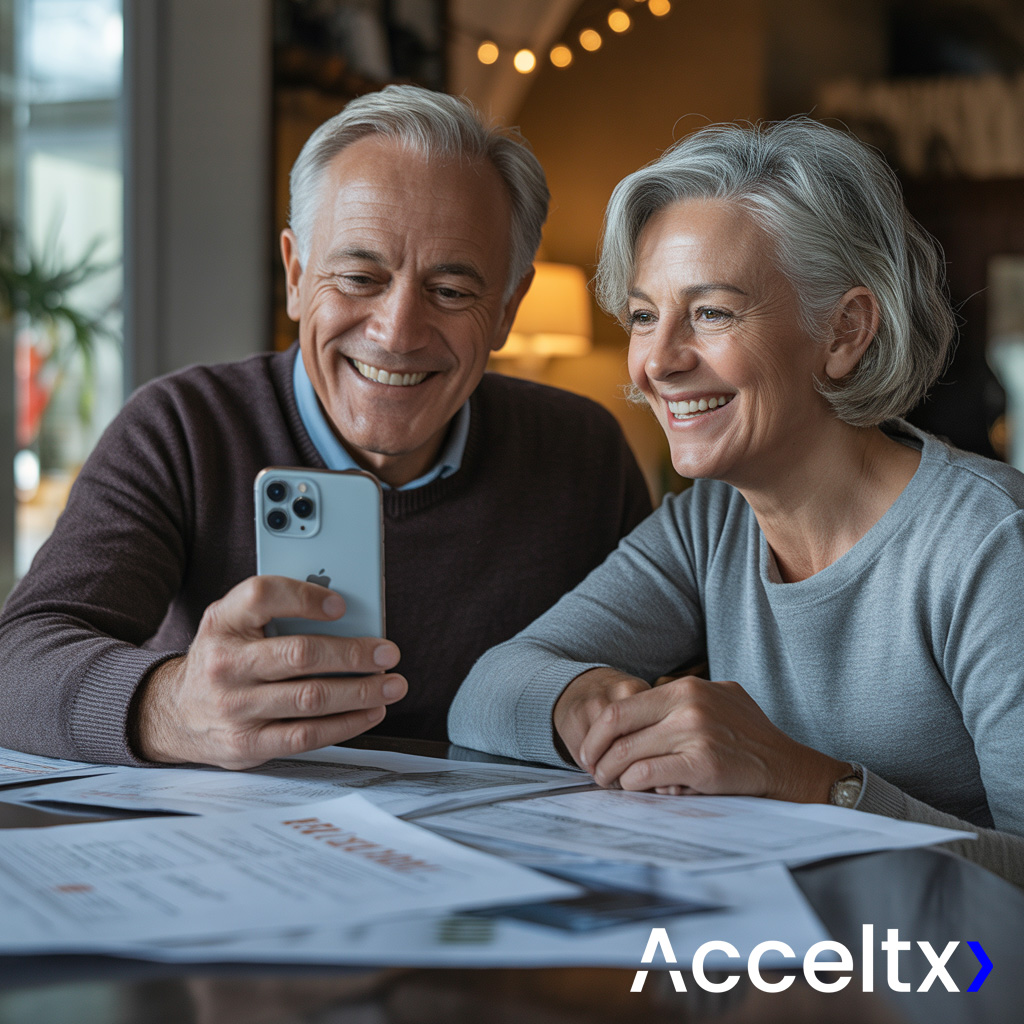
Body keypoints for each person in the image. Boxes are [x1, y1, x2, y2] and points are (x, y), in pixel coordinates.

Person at [0, 85, 651, 770]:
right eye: (359, 277)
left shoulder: (585, 453)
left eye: (452, 292)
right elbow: (16, 665)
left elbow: (675, 675)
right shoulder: (183, 430)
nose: (397, 333)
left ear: (508, 309)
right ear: (295, 274)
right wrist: (174, 707)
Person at [449, 118, 1024, 886]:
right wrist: (594, 706)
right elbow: (486, 691)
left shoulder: (991, 543)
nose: (657, 361)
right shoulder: (707, 522)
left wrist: (808, 781)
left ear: (845, 331)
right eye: (645, 315)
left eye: (712, 312)